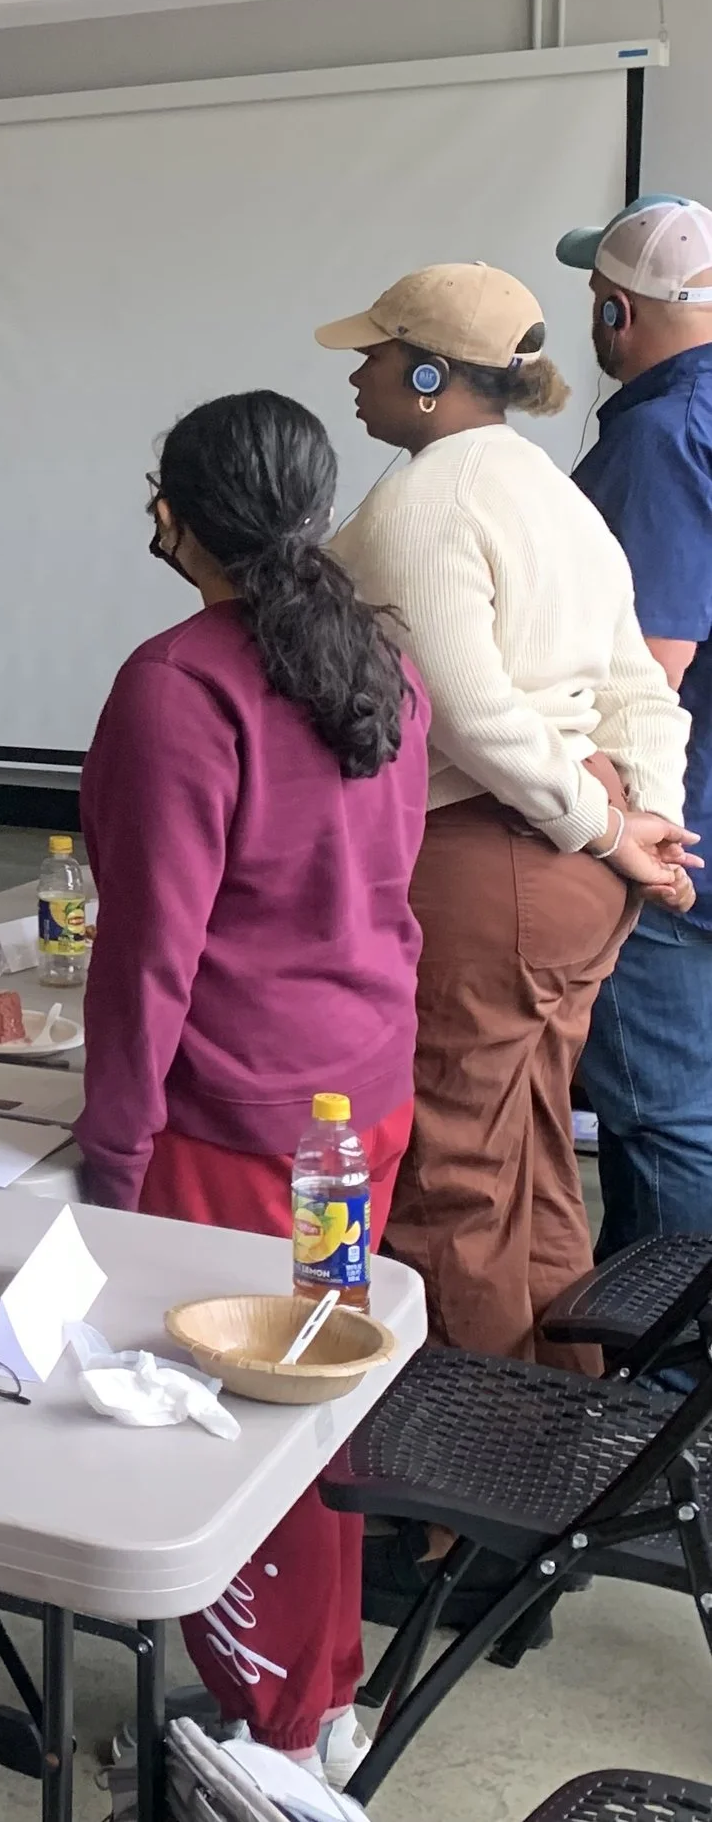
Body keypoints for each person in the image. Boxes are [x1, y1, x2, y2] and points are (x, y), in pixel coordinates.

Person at [78, 391, 427, 1788]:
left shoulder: (178, 684)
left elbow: (148, 953)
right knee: (315, 1392)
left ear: (182, 516)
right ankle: (319, 1696)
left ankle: (270, 1737)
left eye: (159, 493)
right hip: (354, 1108)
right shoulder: (380, 663)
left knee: (240, 1422)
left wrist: (111, 1160)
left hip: (234, 1130)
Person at [319, 264, 694, 1364]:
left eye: (375, 353)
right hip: (572, 875)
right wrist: (645, 823)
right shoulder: (552, 490)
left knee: (452, 1179)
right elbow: (639, 687)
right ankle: (557, 1431)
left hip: (496, 865)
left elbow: (466, 710)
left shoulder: (426, 499)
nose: (357, 373)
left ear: (429, 373)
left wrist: (603, 825)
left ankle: (454, 1509)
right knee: (528, 1160)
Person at [556, 197, 712, 1257]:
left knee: (661, 1119)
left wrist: (605, 827)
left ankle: (655, 1394)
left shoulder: (659, 437)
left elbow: (644, 675)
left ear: (616, 310)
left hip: (669, 839)